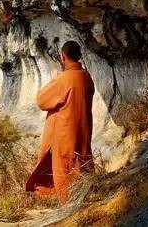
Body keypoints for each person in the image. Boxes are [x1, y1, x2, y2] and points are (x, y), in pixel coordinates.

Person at [26, 40, 95, 203]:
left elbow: (42, 100)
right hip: (83, 130)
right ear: (79, 56)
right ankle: (86, 198)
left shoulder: (64, 79)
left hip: (65, 133)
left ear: (63, 57)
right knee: (82, 164)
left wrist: (54, 79)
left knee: (64, 170)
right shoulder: (86, 76)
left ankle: (69, 206)